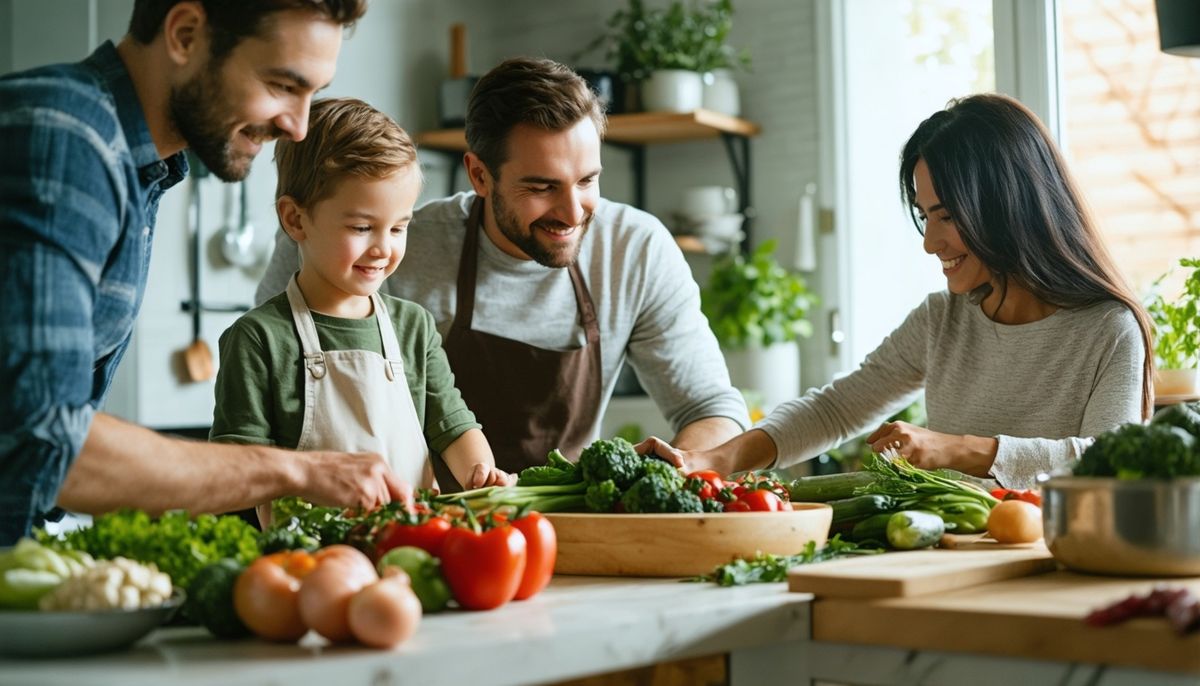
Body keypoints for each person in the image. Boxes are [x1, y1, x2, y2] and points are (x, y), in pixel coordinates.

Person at [0, 0, 412, 545]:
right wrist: (298, 471)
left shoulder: (136, 164)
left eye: (312, 93)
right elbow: (42, 440)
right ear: (186, 35)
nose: (297, 126)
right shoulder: (65, 142)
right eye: (282, 85)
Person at [257, 57, 750, 486]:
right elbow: (279, 365)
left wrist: (671, 470)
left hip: (572, 527)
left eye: (587, 180)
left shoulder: (634, 251)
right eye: (541, 187)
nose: (572, 212)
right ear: (479, 175)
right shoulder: (390, 250)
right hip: (420, 529)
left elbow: (713, 410)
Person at [643, 94, 1153, 489]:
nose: (930, 242)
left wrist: (960, 450)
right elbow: (836, 409)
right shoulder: (942, 320)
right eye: (925, 215)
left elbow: (1110, 462)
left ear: (1006, 205)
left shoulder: (1108, 328)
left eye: (947, 216)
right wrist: (717, 458)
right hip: (947, 556)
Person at [211, 97, 513, 526]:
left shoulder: (414, 327)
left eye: (398, 227)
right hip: (307, 559)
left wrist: (481, 473)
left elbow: (453, 425)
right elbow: (235, 470)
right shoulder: (259, 338)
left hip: (413, 548)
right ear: (295, 219)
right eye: (362, 227)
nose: (383, 248)